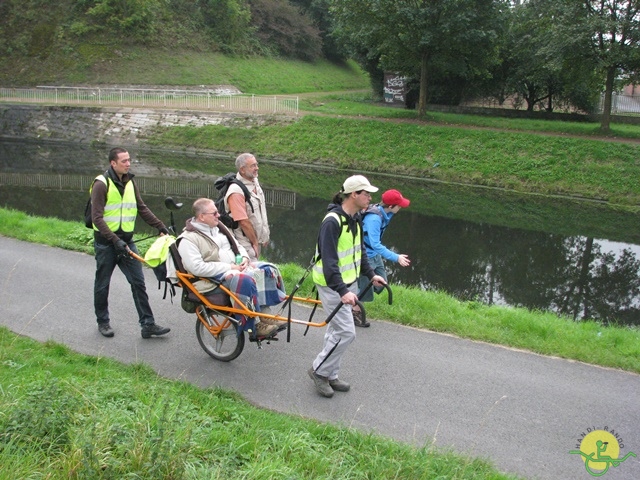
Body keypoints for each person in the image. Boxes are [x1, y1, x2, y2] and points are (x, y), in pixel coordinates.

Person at [308, 175, 387, 398]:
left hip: (348, 282)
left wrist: (371, 275)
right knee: (346, 333)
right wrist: (342, 291)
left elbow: (359, 251)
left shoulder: (355, 218)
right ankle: (318, 371)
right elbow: (330, 261)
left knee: (336, 331)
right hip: (333, 285)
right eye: (367, 193)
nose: (370, 198)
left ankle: (330, 373)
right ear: (354, 194)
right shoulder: (332, 222)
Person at [91, 147, 171, 339]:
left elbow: (141, 208)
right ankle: (103, 322)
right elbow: (97, 218)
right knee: (102, 284)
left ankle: (148, 325)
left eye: (129, 160)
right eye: (124, 161)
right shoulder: (101, 184)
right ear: (113, 163)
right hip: (106, 244)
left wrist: (160, 226)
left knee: (138, 282)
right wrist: (114, 240)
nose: (128, 164)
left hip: (126, 242)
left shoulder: (130, 182)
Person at [174, 198, 281, 338]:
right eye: (214, 213)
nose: (218, 215)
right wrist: (230, 267)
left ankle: (264, 314)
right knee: (244, 280)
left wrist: (244, 258)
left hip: (234, 269)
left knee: (267, 269)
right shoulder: (188, 240)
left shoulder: (219, 228)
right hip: (209, 280)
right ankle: (253, 325)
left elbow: (238, 246)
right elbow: (197, 268)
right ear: (201, 217)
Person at [353, 189, 411, 327]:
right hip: (366, 256)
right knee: (365, 288)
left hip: (375, 256)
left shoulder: (385, 213)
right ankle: (354, 312)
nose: (401, 207)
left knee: (381, 283)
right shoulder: (374, 219)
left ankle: (352, 298)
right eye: (399, 205)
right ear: (390, 206)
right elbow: (375, 244)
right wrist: (396, 257)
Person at [224, 153, 270, 261]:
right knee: (251, 273)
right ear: (242, 170)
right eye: (253, 166)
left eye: (256, 164)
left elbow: (260, 211)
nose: (257, 168)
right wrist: (254, 242)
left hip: (256, 240)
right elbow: (243, 222)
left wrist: (264, 235)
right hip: (244, 243)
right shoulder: (236, 191)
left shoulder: (254, 181)